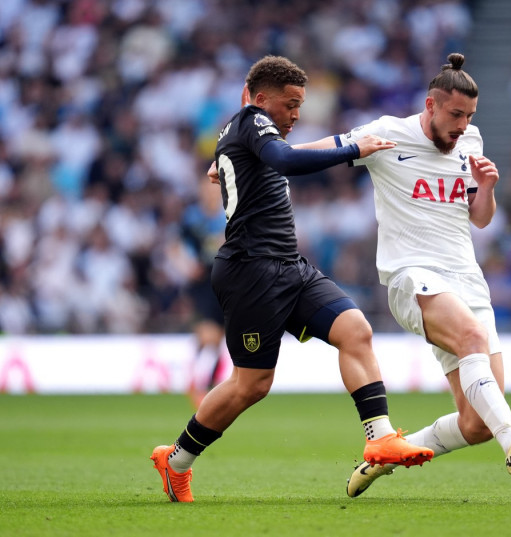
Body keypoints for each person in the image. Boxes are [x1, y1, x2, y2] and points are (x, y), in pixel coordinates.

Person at [150, 55, 433, 503]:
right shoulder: (252, 122)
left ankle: (379, 437)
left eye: (300, 104)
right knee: (252, 385)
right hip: (250, 272)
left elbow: (276, 155)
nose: (297, 114)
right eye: (291, 103)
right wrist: (351, 152)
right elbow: (286, 160)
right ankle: (177, 459)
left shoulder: (247, 134)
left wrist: (224, 160)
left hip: (290, 267)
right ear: (262, 100)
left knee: (355, 329)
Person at [298, 53, 511, 497]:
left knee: (475, 422)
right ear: (431, 105)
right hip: (411, 275)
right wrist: (255, 157)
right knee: (474, 344)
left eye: (469, 116)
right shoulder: (387, 133)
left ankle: (382, 457)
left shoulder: (470, 141)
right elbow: (323, 147)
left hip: (466, 279)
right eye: (455, 114)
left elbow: (480, 219)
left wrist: (488, 189)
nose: (462, 124)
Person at [181, 176, 228, 409]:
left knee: (218, 339)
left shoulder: (228, 216)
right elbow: (176, 244)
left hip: (226, 281)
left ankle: (208, 385)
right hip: (203, 281)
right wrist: (185, 264)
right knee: (209, 335)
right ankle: (197, 384)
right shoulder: (192, 218)